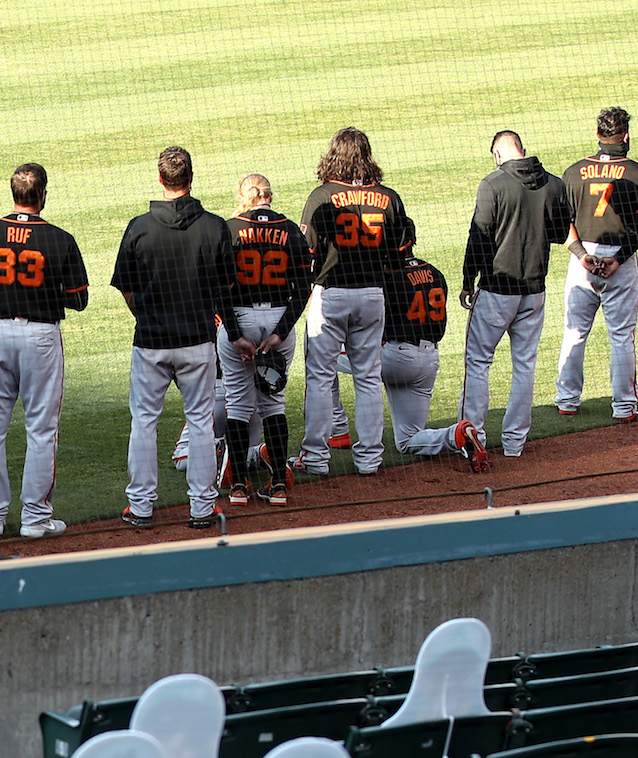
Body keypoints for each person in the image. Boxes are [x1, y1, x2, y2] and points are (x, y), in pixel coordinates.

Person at [0, 162, 89, 539]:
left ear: (13, 194)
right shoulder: (59, 239)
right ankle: (35, 517)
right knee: (42, 429)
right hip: (40, 339)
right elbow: (79, 300)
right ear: (43, 196)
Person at [111, 146, 238, 532]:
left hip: (150, 340)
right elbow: (225, 285)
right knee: (201, 423)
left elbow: (126, 288)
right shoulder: (215, 226)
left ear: (161, 178)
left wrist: (146, 314)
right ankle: (201, 508)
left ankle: (141, 506)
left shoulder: (139, 227)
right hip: (198, 339)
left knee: (144, 422)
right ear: (190, 178)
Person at [298, 130, 412, 480]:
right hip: (372, 295)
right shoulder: (388, 197)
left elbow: (307, 255)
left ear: (334, 155)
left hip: (329, 293)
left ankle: (316, 458)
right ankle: (370, 460)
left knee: (319, 378)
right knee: (367, 378)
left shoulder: (321, 196)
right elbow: (400, 256)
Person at [459, 131, 570, 459]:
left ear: (498, 155)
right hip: (535, 290)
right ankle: (515, 444)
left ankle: (473, 437)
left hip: (496, 290)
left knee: (478, 362)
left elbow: (478, 237)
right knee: (525, 364)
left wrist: (468, 280)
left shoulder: (492, 184)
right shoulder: (554, 184)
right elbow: (561, 233)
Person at [553, 106, 638, 422]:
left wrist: (581, 254)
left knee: (574, 333)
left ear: (598, 135)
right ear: (625, 136)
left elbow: (561, 221)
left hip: (582, 262)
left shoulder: (573, 173)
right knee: (621, 335)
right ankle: (625, 406)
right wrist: (617, 259)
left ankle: (567, 401)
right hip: (619, 261)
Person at [216, 173, 310, 508]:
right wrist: (279, 332)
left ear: (243, 196)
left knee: (238, 403)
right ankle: (280, 486)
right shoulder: (290, 230)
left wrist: (233, 333)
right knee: (274, 402)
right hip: (277, 315)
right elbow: (303, 289)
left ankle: (239, 485)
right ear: (270, 195)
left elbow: (218, 289)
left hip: (238, 316)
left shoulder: (227, 229)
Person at [379, 249, 482, 467]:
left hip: (395, 359)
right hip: (428, 360)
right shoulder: (435, 272)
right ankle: (456, 434)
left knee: (323, 359)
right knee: (407, 441)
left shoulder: (390, 276)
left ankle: (337, 432)